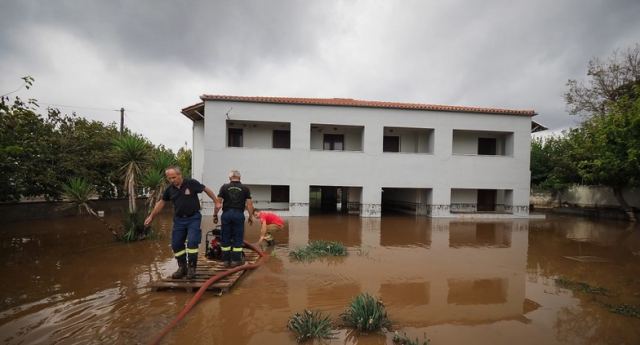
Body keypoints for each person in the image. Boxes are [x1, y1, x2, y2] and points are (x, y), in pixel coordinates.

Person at [144, 166, 221, 280]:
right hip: (179, 220)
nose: (171, 180)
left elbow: (206, 189)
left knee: (192, 243)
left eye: (174, 177)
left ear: (180, 175)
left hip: (193, 218)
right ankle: (182, 267)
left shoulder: (191, 183)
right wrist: (151, 216)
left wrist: (216, 202)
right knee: (176, 244)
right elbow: (161, 203)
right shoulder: (169, 189)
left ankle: (191, 268)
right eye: (169, 178)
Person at [214, 170, 254, 268]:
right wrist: (250, 216)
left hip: (226, 214)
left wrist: (215, 215)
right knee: (238, 237)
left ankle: (226, 261)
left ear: (230, 178)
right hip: (238, 215)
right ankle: (236, 261)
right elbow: (249, 204)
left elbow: (218, 204)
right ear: (240, 178)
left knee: (225, 236)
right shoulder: (245, 188)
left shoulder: (224, 187)